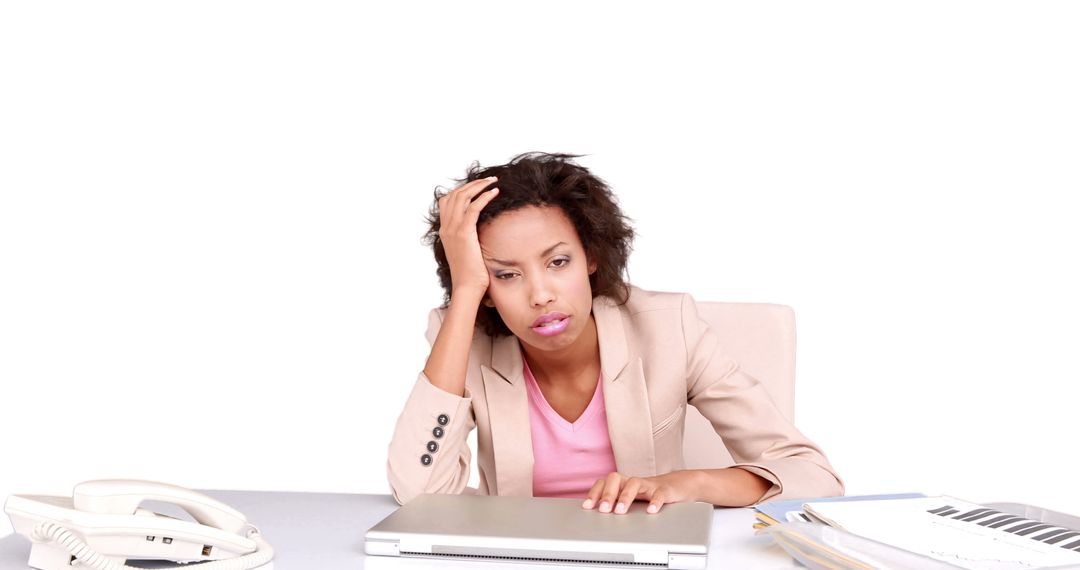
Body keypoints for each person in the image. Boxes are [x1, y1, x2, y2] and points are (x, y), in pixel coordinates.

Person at [388, 152, 843, 514]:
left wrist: (689, 483)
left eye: (558, 262)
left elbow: (813, 476)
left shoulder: (669, 327)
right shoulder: (466, 339)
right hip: (520, 558)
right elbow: (417, 490)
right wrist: (465, 290)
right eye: (506, 275)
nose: (541, 294)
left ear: (591, 257)